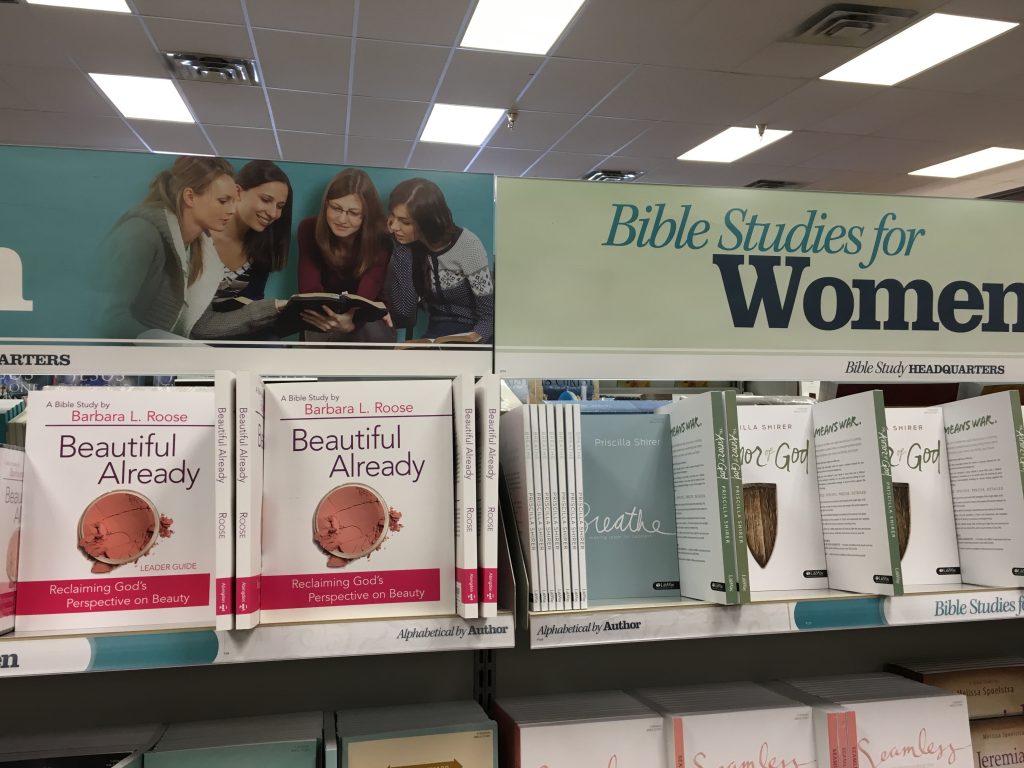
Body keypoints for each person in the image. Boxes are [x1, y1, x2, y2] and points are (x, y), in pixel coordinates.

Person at [96, 155, 237, 339]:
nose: (232, 210)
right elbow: (106, 318)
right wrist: (167, 343)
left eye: (234, 202)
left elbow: (199, 323)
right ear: (190, 197)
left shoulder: (197, 247)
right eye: (223, 201)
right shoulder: (140, 234)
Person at [190, 160, 293, 340]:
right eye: (266, 200)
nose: (273, 213)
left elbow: (249, 309)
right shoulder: (198, 238)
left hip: (236, 337)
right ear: (237, 192)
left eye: (280, 206)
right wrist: (272, 308)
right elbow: (196, 325)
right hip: (192, 339)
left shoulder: (261, 246)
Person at [384, 178, 494, 343]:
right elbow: (404, 312)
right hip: (436, 334)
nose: (394, 227)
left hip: (474, 334)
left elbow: (488, 317)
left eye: (405, 222)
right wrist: (400, 247)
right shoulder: (409, 248)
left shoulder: (468, 245)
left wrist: (471, 341)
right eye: (393, 217)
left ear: (427, 222)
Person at [296, 168, 396, 343]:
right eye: (336, 208)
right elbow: (309, 289)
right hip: (324, 314)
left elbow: (368, 290)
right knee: (315, 327)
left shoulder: (381, 237)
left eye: (354, 213)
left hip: (367, 315)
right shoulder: (309, 228)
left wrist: (353, 322)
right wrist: (332, 319)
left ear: (366, 215)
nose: (342, 219)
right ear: (326, 205)